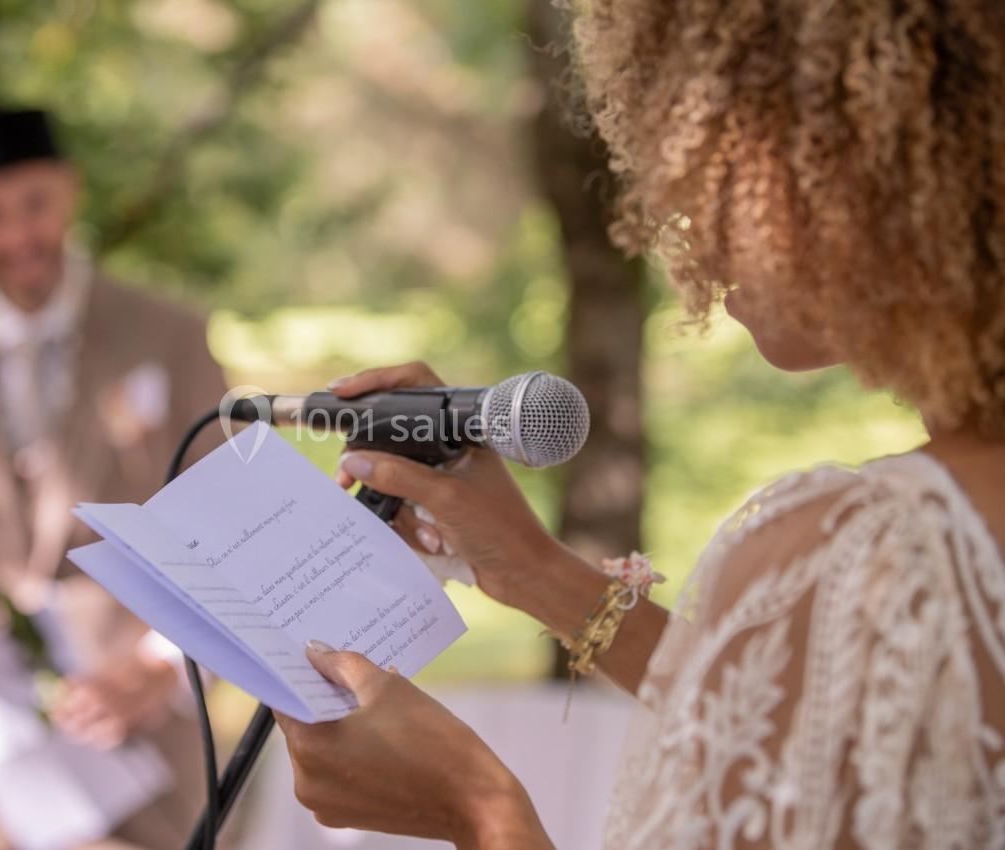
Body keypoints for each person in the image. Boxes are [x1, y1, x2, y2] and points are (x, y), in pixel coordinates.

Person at [275, 3, 1005, 849]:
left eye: (723, 158)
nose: (683, 218)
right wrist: (538, 571)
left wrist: (476, 811)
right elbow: (802, 724)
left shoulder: (869, 550)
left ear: (868, 169)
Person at [0, 108, 228, 850]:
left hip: (145, 756)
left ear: (70, 191)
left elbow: (234, 538)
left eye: (35, 205)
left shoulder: (172, 336)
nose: (18, 237)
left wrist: (161, 670)